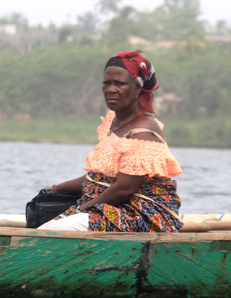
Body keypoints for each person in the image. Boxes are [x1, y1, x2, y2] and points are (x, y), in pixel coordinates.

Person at [39, 50, 183, 232]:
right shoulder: (113, 121)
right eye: (106, 83)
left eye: (119, 84)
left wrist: (80, 210)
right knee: (44, 227)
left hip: (141, 214)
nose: (111, 89)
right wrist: (55, 188)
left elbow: (124, 189)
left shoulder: (143, 132)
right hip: (109, 208)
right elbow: (97, 178)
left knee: (59, 229)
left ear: (138, 88)